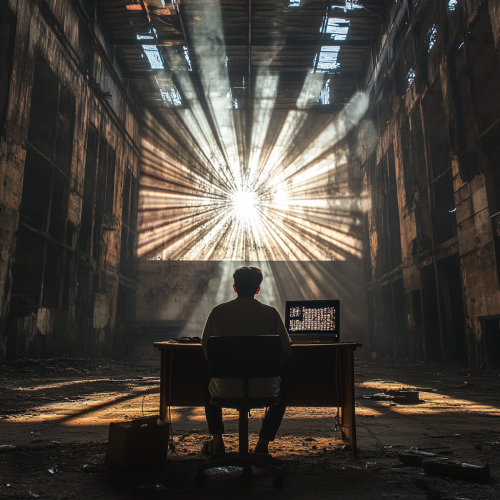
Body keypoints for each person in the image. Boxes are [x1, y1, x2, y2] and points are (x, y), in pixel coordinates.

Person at [201, 266, 292, 456]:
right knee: (285, 390)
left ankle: (217, 442)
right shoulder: (271, 313)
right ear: (258, 289)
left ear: (235, 288)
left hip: (225, 389)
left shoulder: (217, 312)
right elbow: (286, 353)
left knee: (206, 385)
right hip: (264, 388)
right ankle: (263, 444)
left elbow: (208, 353)